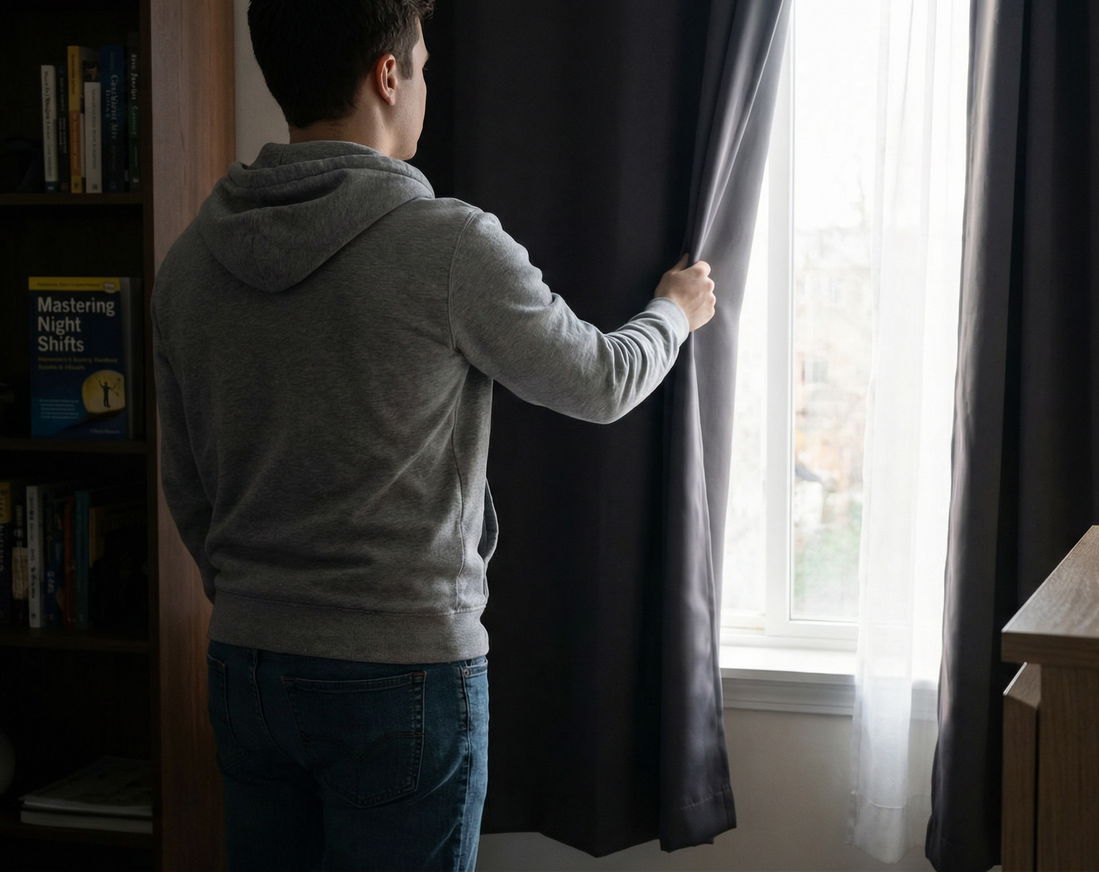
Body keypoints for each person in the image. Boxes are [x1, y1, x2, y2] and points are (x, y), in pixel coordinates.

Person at [151, 1, 716, 869]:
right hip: (401, 673)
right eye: (421, 63)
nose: (424, 85)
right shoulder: (446, 244)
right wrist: (673, 313)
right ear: (387, 75)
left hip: (247, 664)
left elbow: (185, 483)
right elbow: (601, 383)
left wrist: (258, 597)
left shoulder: (190, 261)